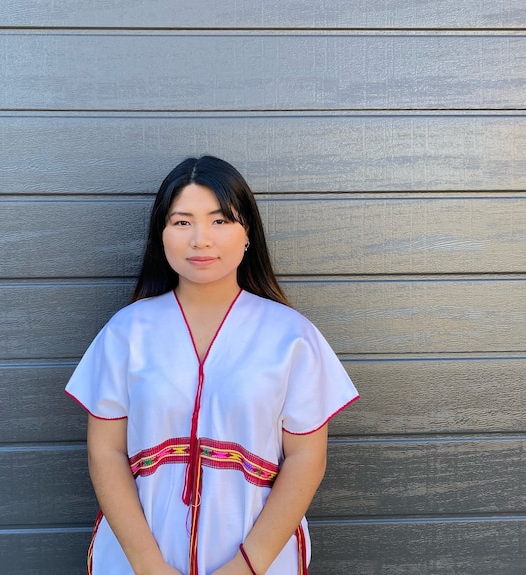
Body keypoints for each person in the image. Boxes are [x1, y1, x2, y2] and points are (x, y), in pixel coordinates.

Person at [65, 156, 359, 575]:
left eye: (220, 221)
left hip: (258, 558)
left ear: (247, 234)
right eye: (182, 222)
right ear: (161, 236)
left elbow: (306, 460)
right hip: (137, 556)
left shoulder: (292, 337)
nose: (201, 239)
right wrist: (150, 567)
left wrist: (244, 567)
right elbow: (106, 451)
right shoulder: (127, 331)